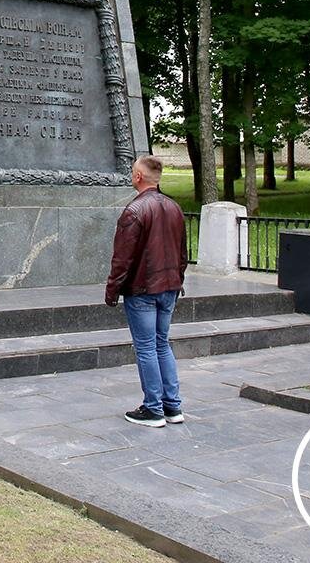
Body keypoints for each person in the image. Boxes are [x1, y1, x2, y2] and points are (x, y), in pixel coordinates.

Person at [104, 155, 188, 428]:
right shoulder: (174, 207)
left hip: (143, 289)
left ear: (138, 176)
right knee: (161, 344)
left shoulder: (134, 211)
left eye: (133, 172)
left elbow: (122, 258)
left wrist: (112, 289)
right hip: (169, 286)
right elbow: (183, 253)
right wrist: (177, 280)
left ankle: (153, 408)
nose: (131, 175)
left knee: (147, 348)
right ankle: (172, 406)